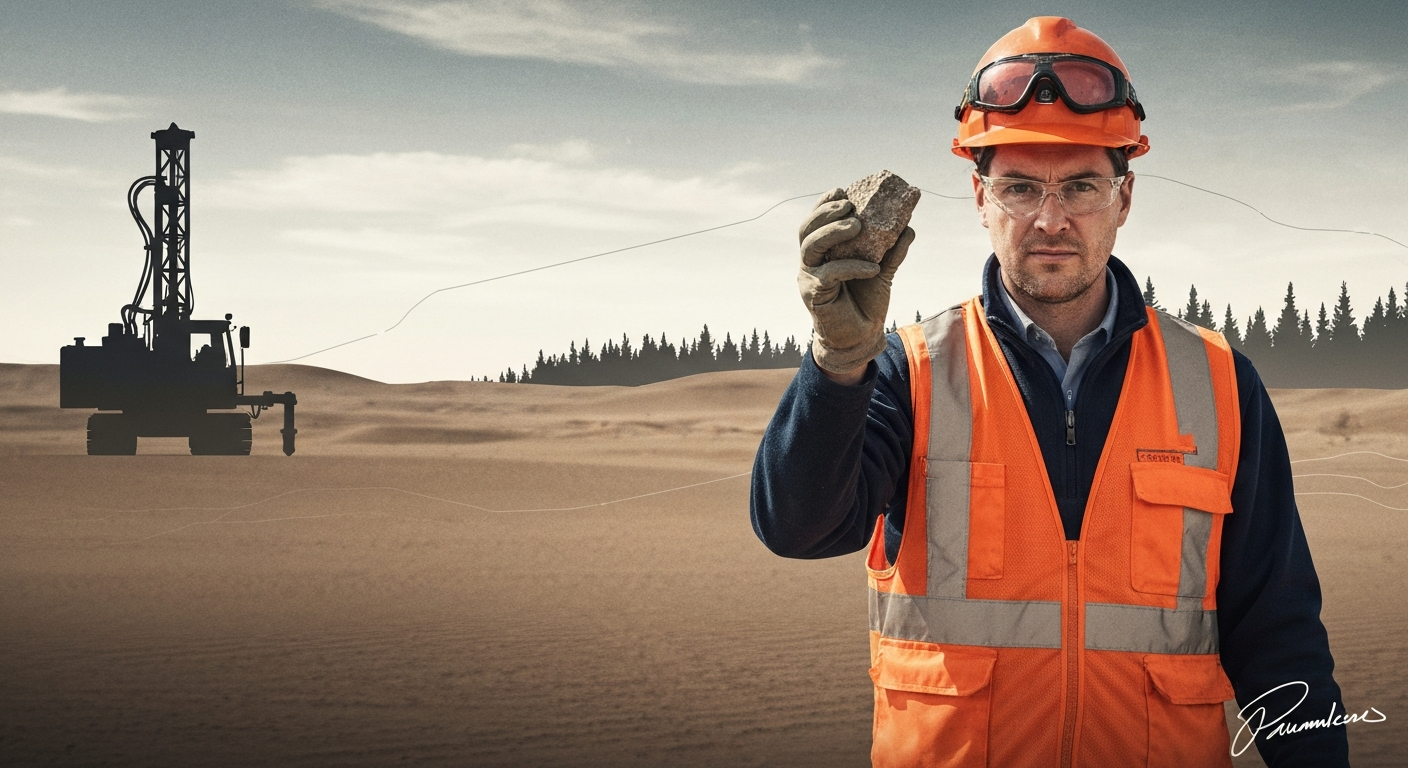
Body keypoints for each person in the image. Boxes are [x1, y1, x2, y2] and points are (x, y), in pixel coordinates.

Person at [751, 16, 1348, 768]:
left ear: (1123, 199)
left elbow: (1279, 630)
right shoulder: (910, 372)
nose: (1051, 219)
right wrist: (839, 363)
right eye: (1020, 187)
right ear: (979, 197)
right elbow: (797, 528)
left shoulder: (1220, 381)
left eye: (1082, 187)